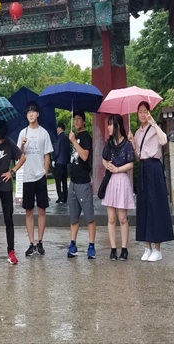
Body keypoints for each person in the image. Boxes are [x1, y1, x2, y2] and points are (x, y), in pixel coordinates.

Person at [128, 101, 174, 262]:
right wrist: (132, 143)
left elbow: (164, 140)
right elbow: (138, 157)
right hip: (143, 168)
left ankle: (157, 249)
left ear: (149, 112)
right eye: (140, 111)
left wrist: (154, 123)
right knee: (144, 207)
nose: (142, 114)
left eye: (145, 111)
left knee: (156, 206)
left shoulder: (154, 128)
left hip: (154, 168)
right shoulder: (137, 132)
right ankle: (147, 247)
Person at [0, 119, 26, 266]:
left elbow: (22, 157)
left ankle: (11, 251)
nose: (0, 141)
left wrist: (12, 172)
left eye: (2, 139)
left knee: (9, 220)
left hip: (6, 187)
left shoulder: (9, 142)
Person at [18, 101, 53, 257]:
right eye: (28, 112)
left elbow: (47, 155)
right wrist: (22, 145)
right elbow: (19, 155)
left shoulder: (43, 133)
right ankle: (31, 243)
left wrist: (45, 172)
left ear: (38, 114)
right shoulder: (22, 133)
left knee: (42, 210)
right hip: (27, 176)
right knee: (28, 211)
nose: (30, 114)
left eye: (33, 112)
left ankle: (40, 241)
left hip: (40, 176)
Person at [101, 114, 136, 261]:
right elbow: (103, 158)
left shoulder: (127, 144)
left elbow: (131, 163)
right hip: (110, 180)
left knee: (122, 218)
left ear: (117, 126)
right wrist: (107, 165)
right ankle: (113, 249)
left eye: (110, 124)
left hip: (122, 179)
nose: (108, 127)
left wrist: (118, 169)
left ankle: (124, 248)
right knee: (111, 218)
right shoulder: (109, 143)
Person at [66, 110, 96, 259]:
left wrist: (73, 141)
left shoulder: (86, 137)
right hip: (73, 182)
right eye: (75, 119)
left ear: (83, 121)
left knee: (89, 217)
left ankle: (91, 245)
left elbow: (84, 156)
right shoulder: (74, 136)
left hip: (83, 183)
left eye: (79, 119)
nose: (76, 121)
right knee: (73, 217)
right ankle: (73, 244)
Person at [53, 121, 70, 203]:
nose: (56, 129)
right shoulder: (67, 138)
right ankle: (65, 197)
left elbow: (57, 150)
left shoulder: (58, 138)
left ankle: (60, 197)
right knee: (64, 181)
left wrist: (54, 159)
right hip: (65, 162)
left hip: (59, 161)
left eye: (57, 127)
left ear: (60, 128)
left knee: (58, 180)